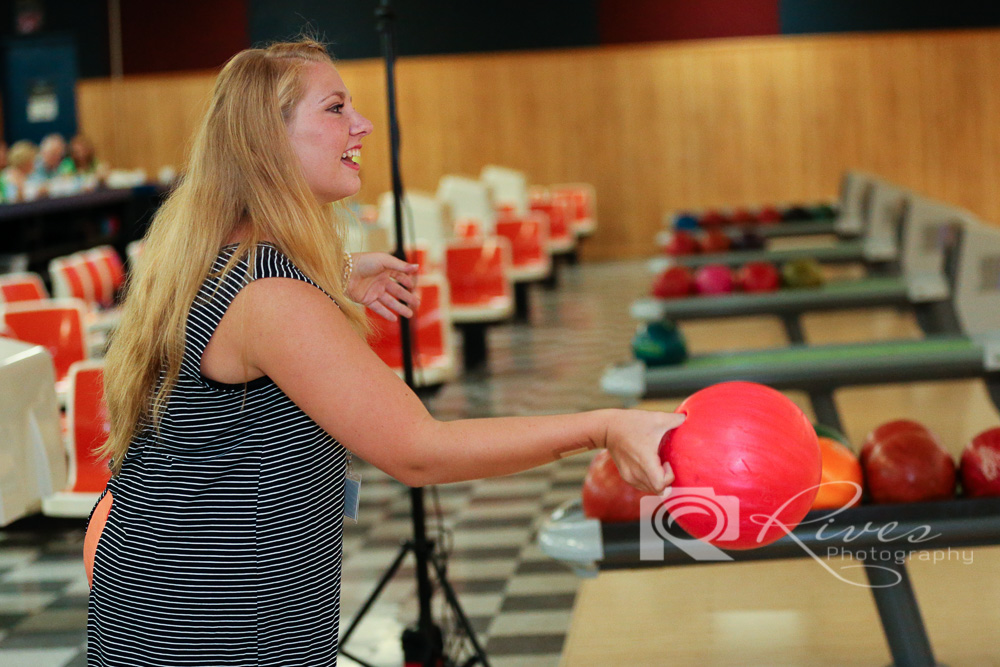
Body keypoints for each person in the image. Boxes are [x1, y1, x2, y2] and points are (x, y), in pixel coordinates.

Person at [89, 39, 682, 666]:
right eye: (335, 108)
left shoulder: (206, 259)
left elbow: (241, 318)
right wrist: (604, 426)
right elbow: (418, 453)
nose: (361, 124)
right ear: (269, 141)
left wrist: (330, 273)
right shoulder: (270, 294)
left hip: (161, 597)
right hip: (215, 627)